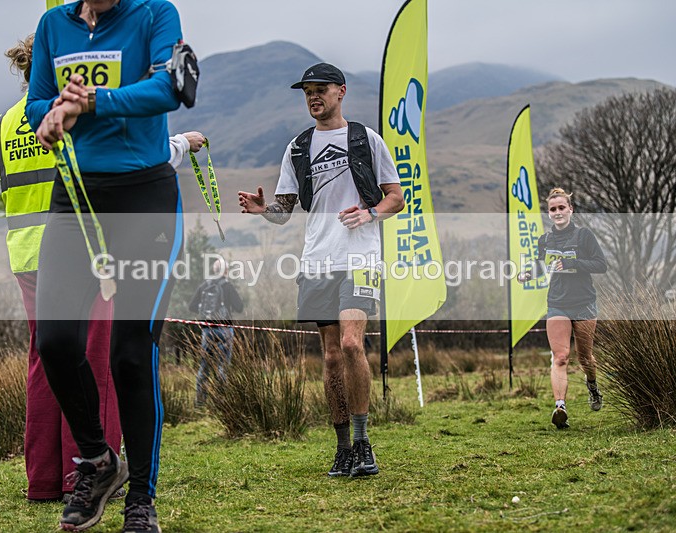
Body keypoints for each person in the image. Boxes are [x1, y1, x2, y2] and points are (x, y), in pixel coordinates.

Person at [26, 1, 191, 531]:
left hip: (144, 196)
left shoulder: (155, 15)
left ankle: (141, 498)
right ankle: (99, 461)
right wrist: (52, 113)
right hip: (75, 196)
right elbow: (34, 105)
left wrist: (91, 100)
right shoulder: (54, 26)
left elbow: (171, 89)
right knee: (54, 342)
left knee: (129, 353)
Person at [238, 63, 404, 477]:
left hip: (361, 256)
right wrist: (264, 211)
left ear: (341, 92)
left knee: (351, 344)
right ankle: (343, 447)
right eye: (307, 91)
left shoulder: (366, 138)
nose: (313, 96)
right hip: (317, 259)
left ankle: (365, 443)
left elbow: (396, 198)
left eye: (321, 89)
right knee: (331, 357)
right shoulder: (298, 147)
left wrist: (370, 214)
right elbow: (284, 211)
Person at [0, 33, 122, 504]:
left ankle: (44, 478)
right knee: (95, 362)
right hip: (83, 251)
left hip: (27, 257)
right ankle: (84, 477)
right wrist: (185, 142)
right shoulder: (74, 114)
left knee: (46, 361)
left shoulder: (1, 125)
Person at [518, 187, 608, 430]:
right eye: (552, 209)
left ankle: (592, 386)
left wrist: (573, 263)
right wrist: (528, 273)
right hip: (557, 302)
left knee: (584, 357)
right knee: (560, 357)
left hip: (584, 302)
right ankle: (560, 407)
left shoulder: (584, 236)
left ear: (570, 209)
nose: (557, 212)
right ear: (548, 213)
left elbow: (601, 265)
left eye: (561, 208)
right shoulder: (545, 240)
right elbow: (542, 265)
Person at [188, 258, 244, 409]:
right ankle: (222, 403)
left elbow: (191, 306)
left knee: (204, 366)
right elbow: (239, 307)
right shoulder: (227, 286)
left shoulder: (204, 285)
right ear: (225, 271)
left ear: (214, 270)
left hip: (207, 330)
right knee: (222, 366)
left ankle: (200, 403)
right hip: (224, 330)